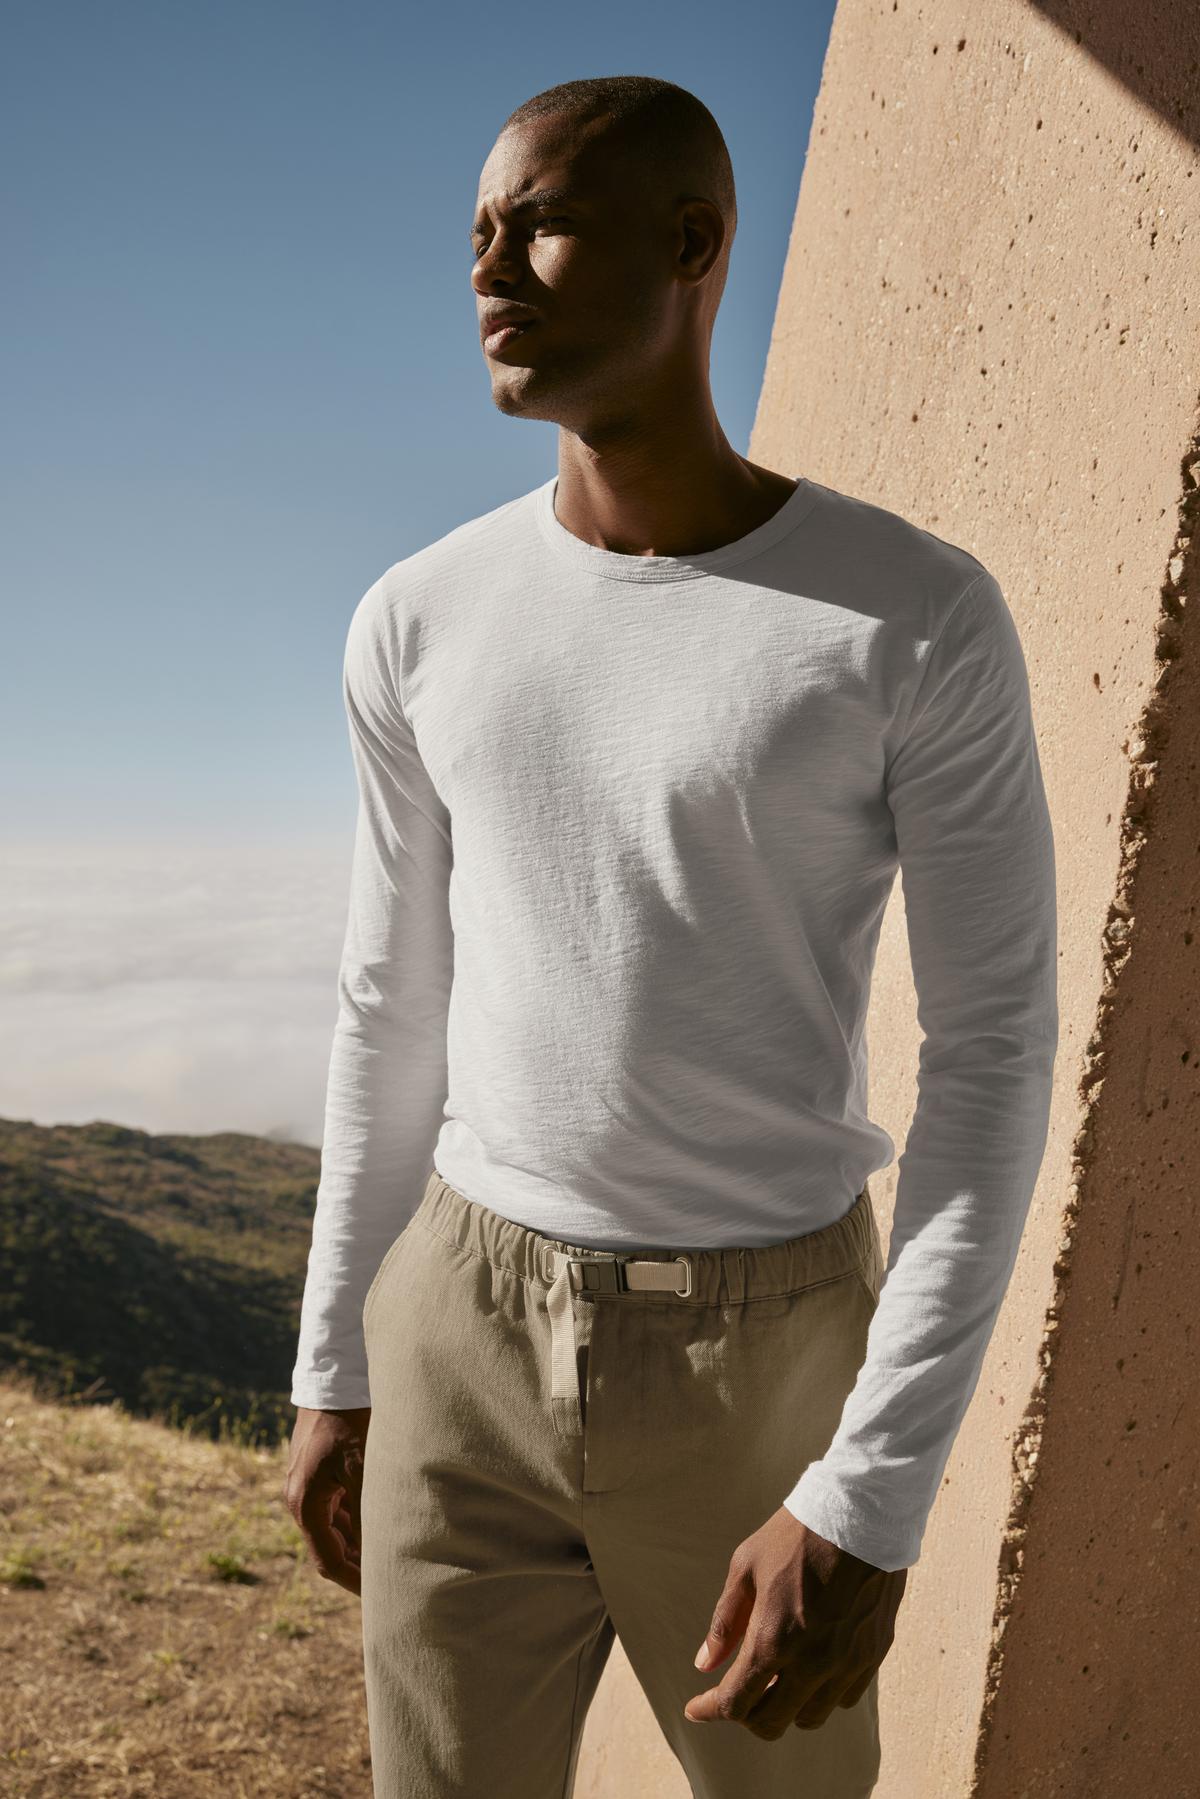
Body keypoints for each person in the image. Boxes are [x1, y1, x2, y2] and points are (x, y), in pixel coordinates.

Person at [283, 73, 1058, 1799]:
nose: (492, 266)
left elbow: (999, 1059)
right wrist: (338, 1350)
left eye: (540, 221)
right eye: (475, 232)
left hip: (766, 1358)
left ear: (696, 240)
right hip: (458, 1329)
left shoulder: (911, 617)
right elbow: (389, 1000)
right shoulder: (416, 619)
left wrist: (871, 1485)